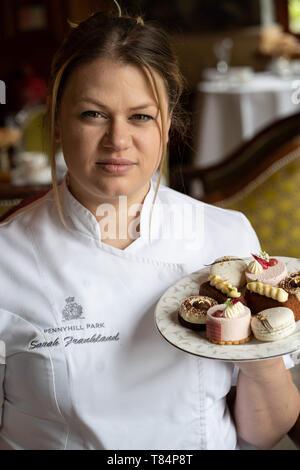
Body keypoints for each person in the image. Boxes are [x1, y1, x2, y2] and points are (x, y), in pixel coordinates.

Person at [0, 6, 299, 451]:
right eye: (93, 114)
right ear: (57, 122)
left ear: (166, 125)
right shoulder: (8, 258)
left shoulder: (227, 239)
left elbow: (262, 433)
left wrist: (257, 351)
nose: (117, 140)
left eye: (140, 116)